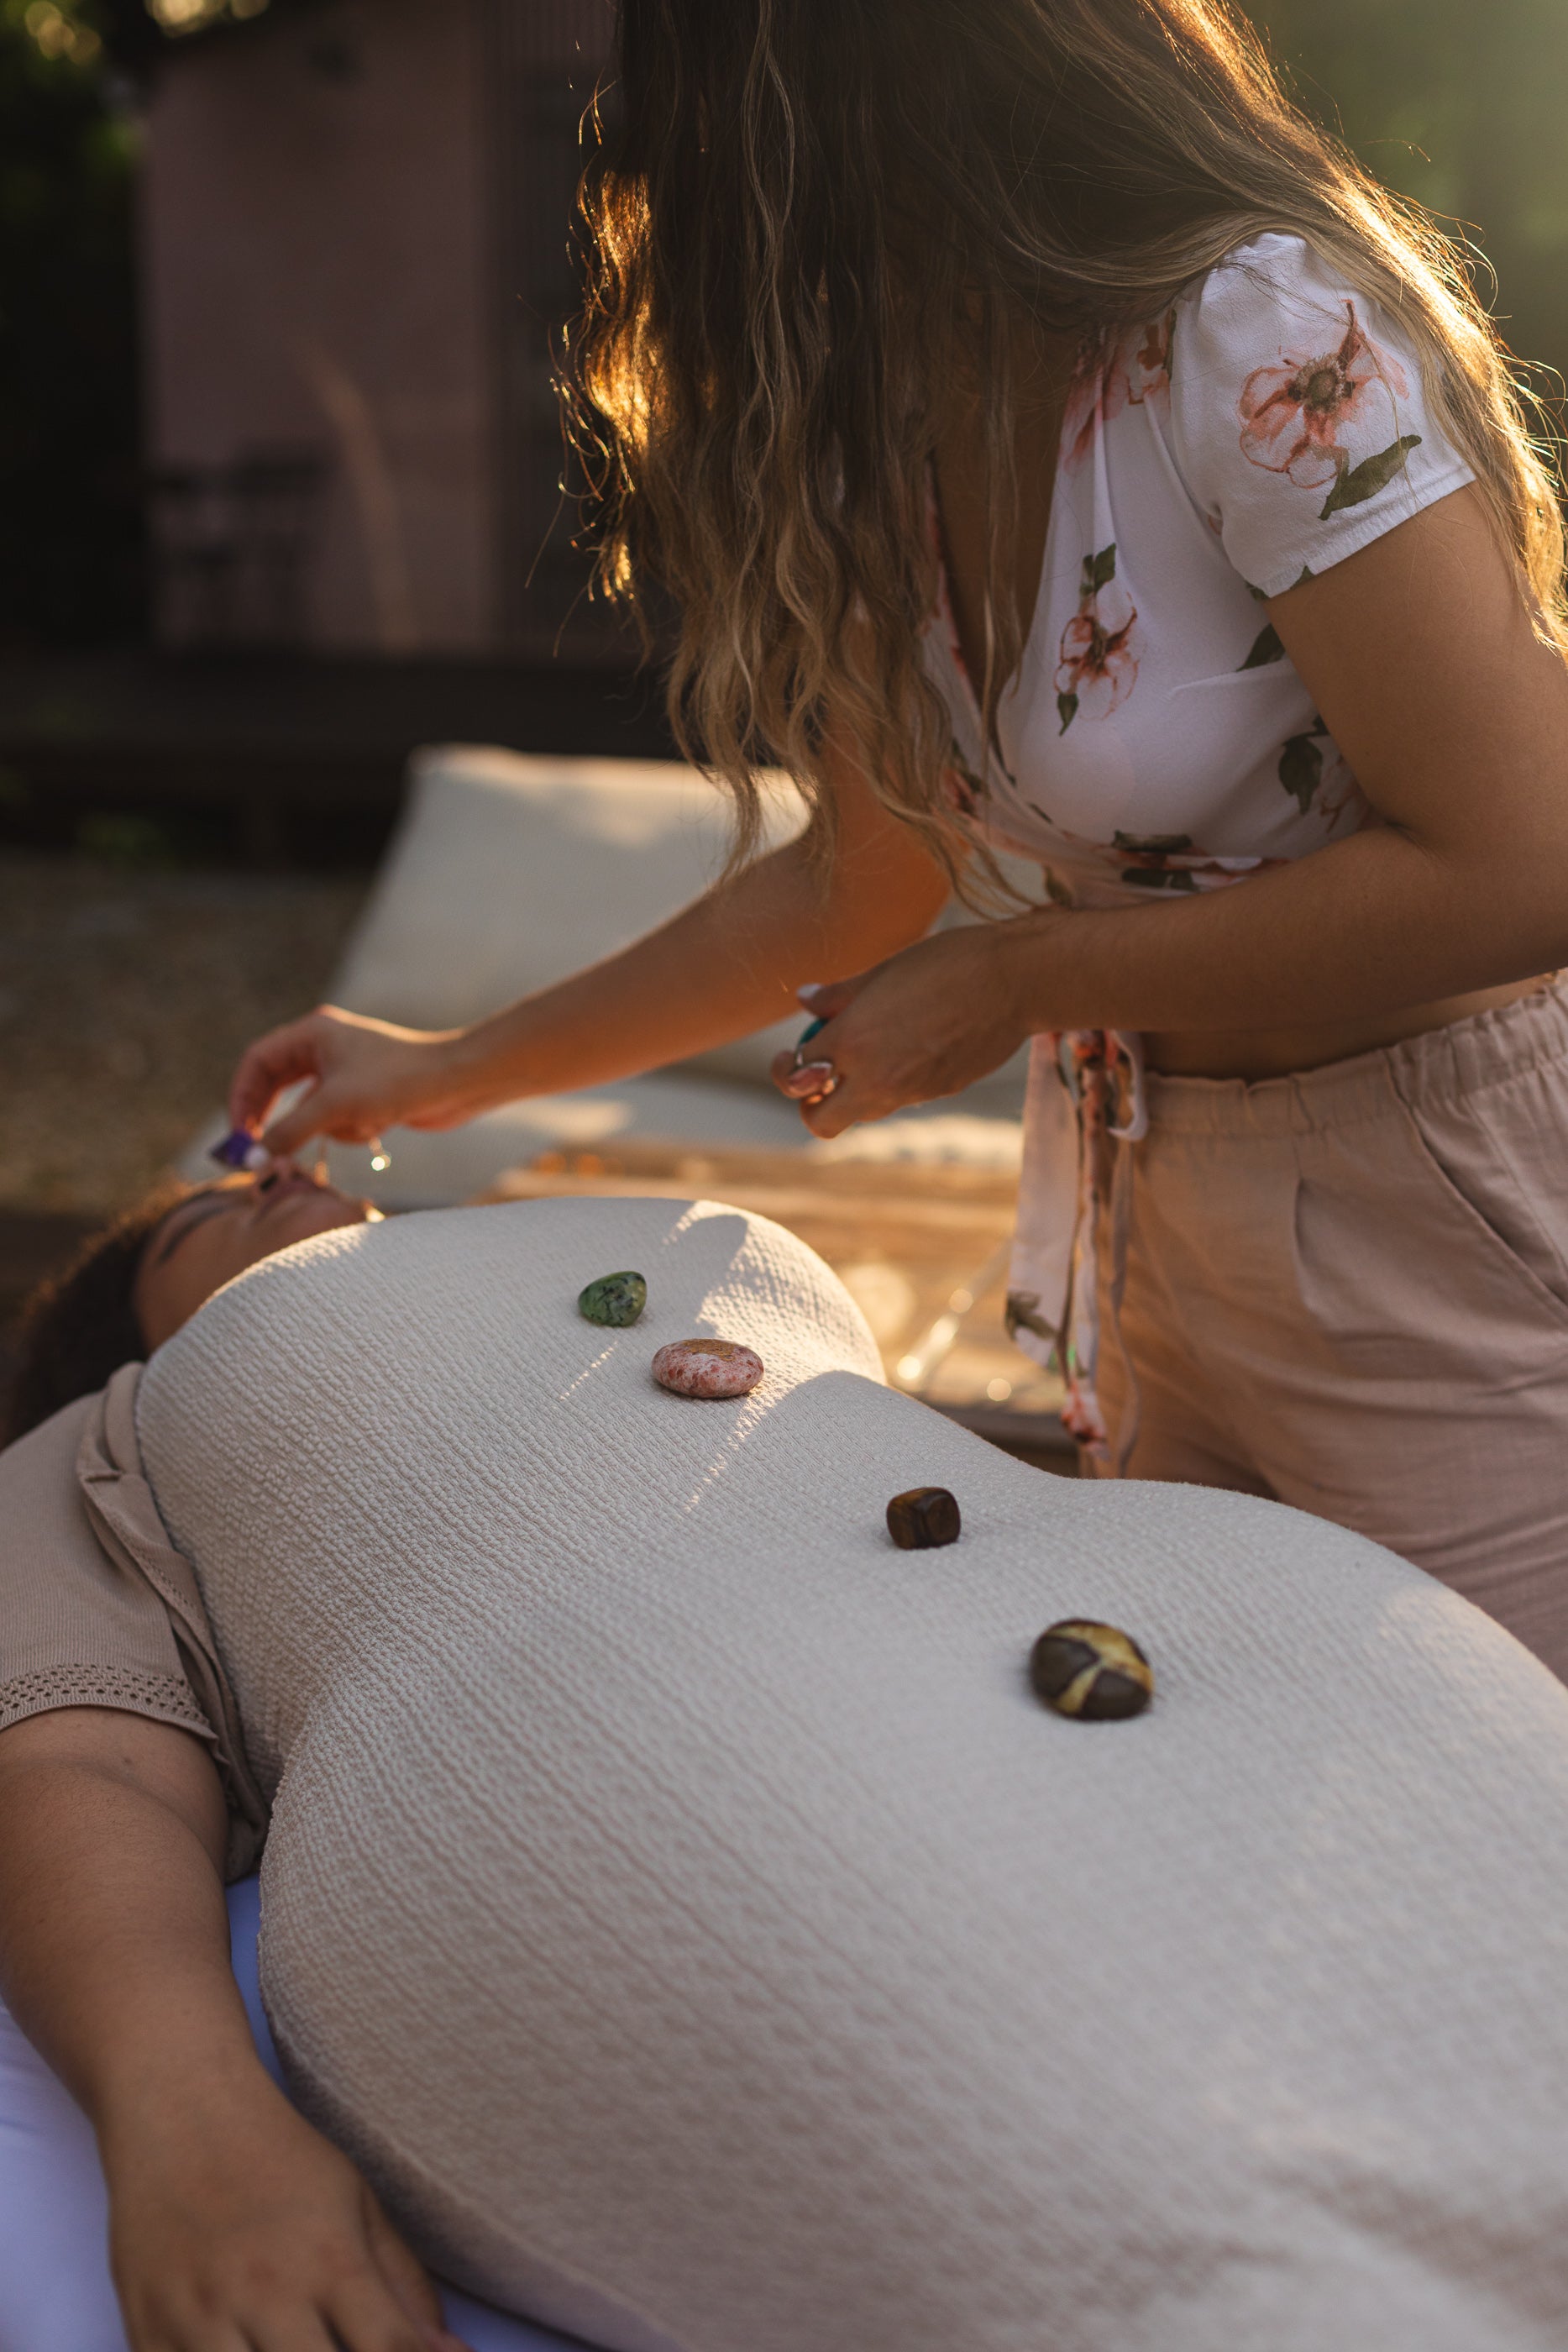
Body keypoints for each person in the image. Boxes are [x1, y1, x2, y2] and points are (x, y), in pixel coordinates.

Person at [227, 0, 1568, 1662]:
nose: (661, 182)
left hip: (1439, 1218)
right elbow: (859, 874)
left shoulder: (1254, 333)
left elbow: (1530, 863)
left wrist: (1024, 975)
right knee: (1195, 1805)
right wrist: (441, 1071)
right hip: (1150, 1211)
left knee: (1506, 1852)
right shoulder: (892, 420)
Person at [5, 1168, 1568, 2352]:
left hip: (1232, 1626)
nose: (274, 1170)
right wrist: (191, 2132)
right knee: (1184, 2212)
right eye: (196, 1214)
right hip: (657, 1757)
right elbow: (81, 1758)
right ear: (119, 1340)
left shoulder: (599, 1228)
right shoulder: (119, 1431)